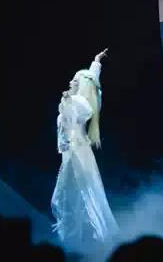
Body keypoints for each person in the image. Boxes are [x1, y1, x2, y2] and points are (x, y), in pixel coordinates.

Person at [51, 48, 118, 246]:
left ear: (81, 86)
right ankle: (76, 236)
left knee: (77, 192)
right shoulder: (82, 100)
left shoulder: (79, 103)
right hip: (76, 150)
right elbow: (91, 79)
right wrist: (96, 62)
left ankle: (84, 236)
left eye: (75, 80)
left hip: (76, 151)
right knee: (77, 191)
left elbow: (69, 114)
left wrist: (67, 99)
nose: (71, 82)